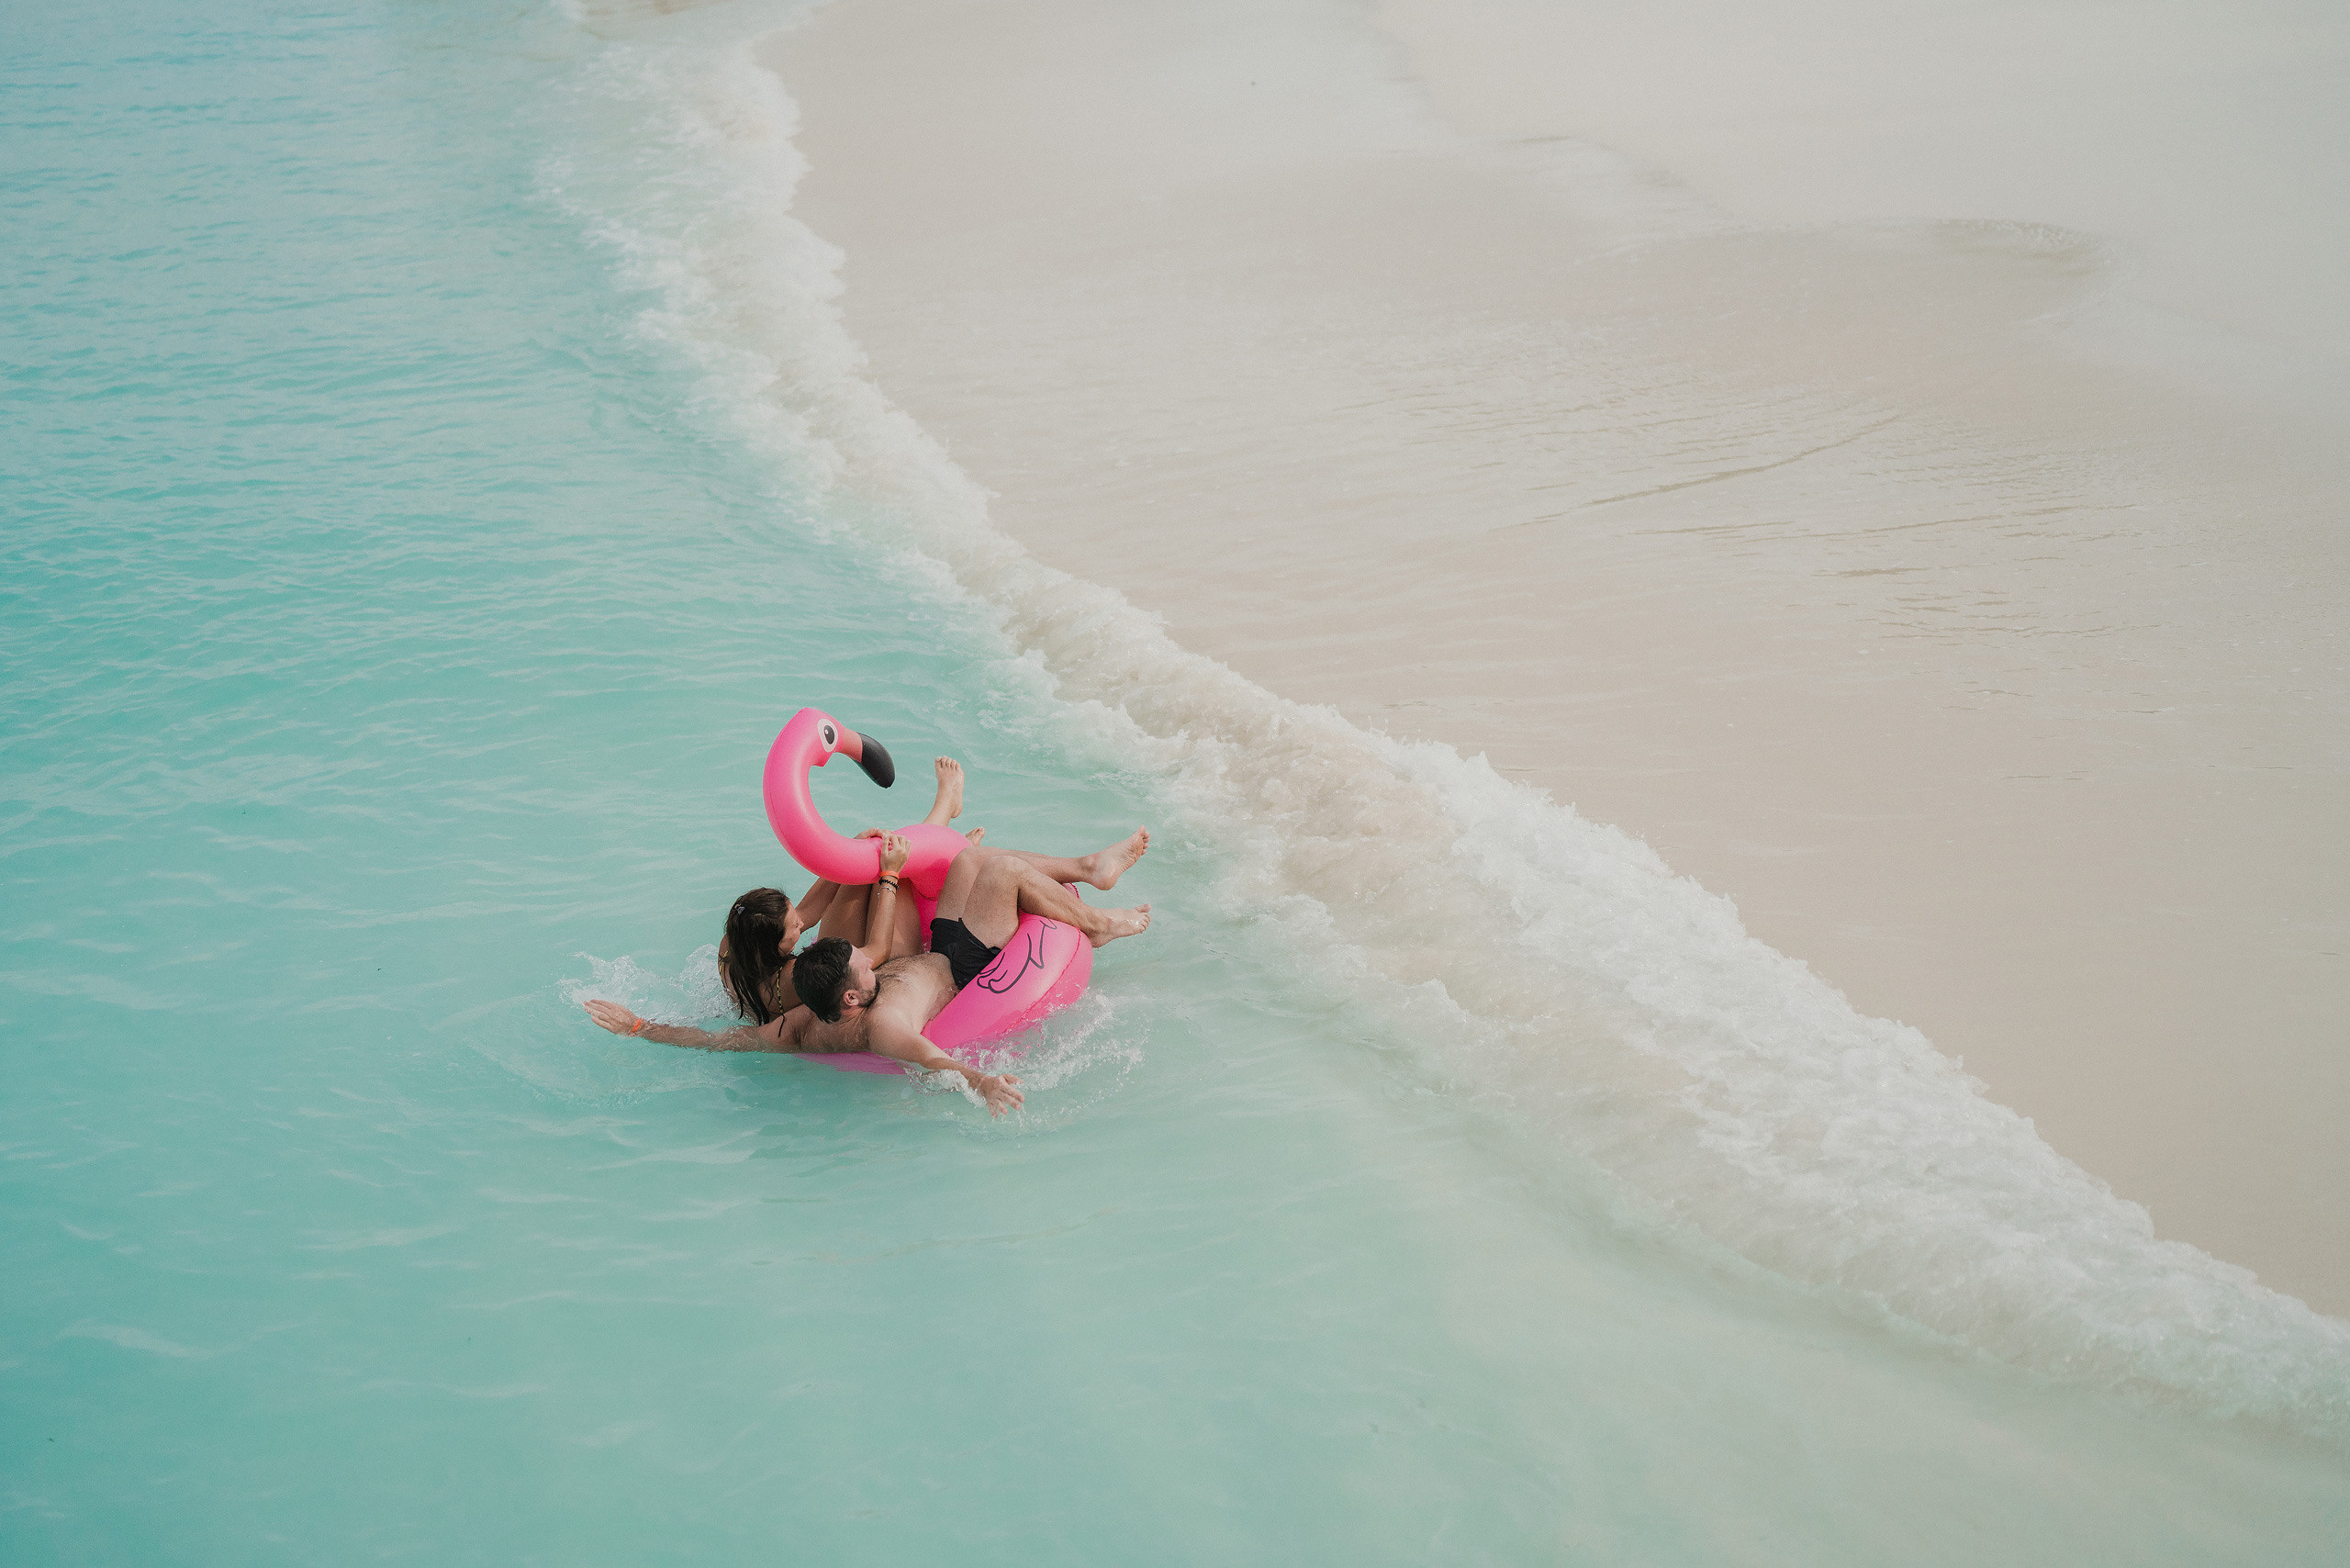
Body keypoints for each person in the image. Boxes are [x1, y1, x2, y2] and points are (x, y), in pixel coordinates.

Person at [581, 759, 1151, 1115]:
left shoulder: (797, 1024)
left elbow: (720, 1042)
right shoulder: (882, 1025)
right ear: (853, 995)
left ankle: (957, 832)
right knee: (998, 873)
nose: (861, 954)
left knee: (970, 860)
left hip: (938, 949)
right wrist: (982, 1082)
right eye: (857, 961)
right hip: (967, 967)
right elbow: (931, 1058)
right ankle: (1099, 925)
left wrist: (640, 1027)